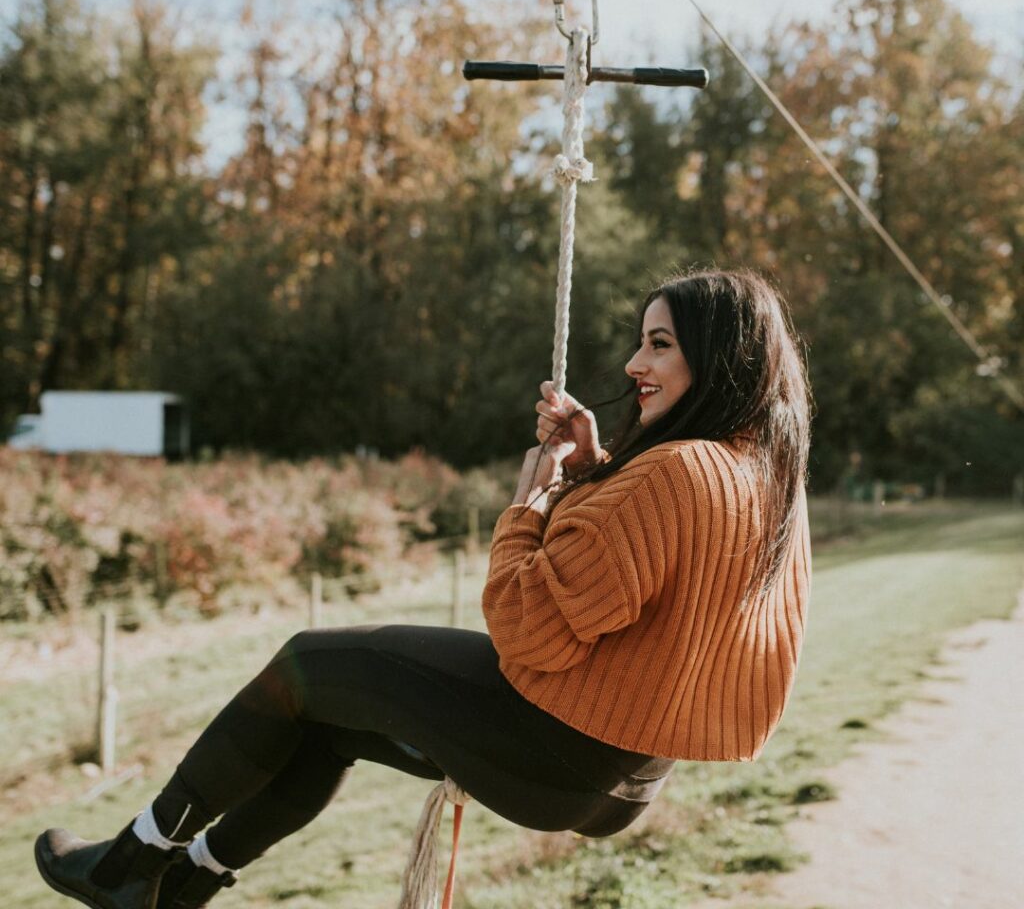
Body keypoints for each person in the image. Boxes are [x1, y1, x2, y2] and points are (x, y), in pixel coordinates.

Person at [34, 268, 812, 909]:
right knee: (326, 720)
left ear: (721, 357)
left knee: (303, 662)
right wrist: (589, 469)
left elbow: (528, 626)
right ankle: (186, 879)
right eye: (641, 342)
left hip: (550, 746)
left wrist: (527, 505)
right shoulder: (764, 476)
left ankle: (129, 860)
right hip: (626, 778)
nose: (633, 365)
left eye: (660, 344)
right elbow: (637, 583)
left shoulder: (680, 471)